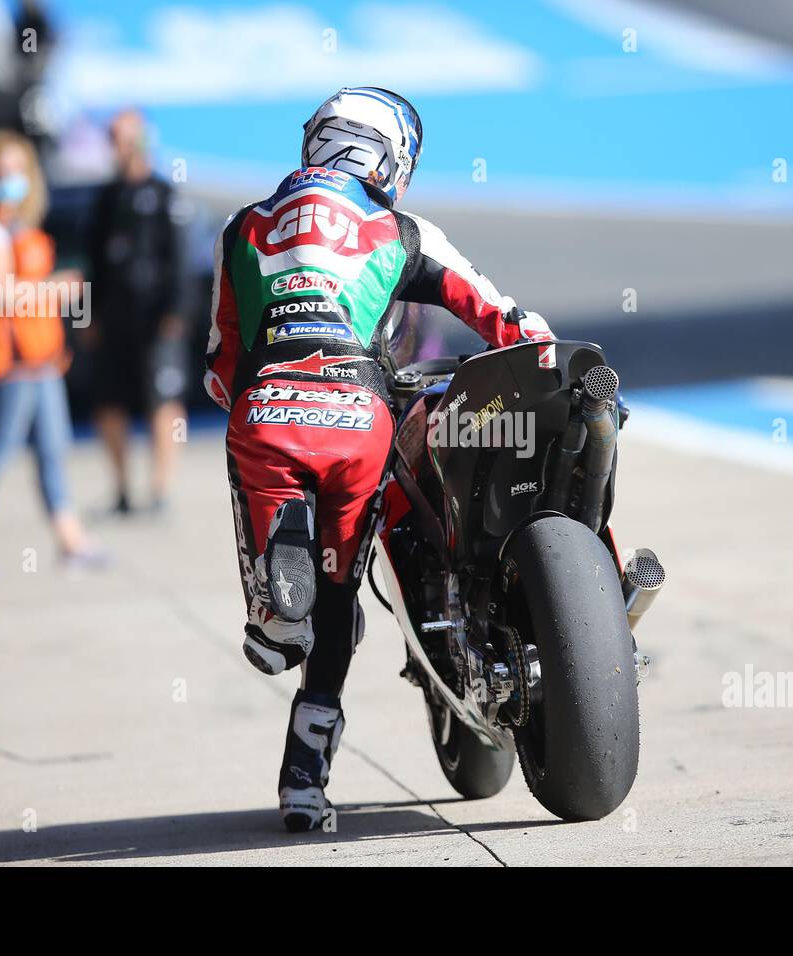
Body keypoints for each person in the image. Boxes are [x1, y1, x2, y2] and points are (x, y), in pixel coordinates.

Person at [204, 87, 553, 831]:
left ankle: (272, 608)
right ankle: (304, 783)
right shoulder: (400, 228)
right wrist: (540, 348)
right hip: (360, 418)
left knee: (278, 543)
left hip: (268, 413)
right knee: (343, 603)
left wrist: (258, 393)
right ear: (391, 159)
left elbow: (219, 362)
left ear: (315, 142)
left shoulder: (243, 226)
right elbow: (498, 313)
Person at [0, 129, 104, 578]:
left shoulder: (21, 228)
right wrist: (58, 287)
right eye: (1, 171)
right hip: (11, 361)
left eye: (17, 169)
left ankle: (69, 538)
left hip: (40, 359)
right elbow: (1, 293)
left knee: (53, 448)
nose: (10, 179)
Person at [85, 109, 187, 515]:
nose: (119, 145)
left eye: (125, 137)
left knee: (162, 398)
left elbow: (179, 258)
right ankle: (122, 491)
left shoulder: (164, 193)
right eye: (113, 137)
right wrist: (88, 316)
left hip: (156, 318)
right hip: (113, 318)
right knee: (108, 402)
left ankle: (160, 489)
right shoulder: (106, 197)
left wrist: (176, 311)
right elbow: (93, 261)